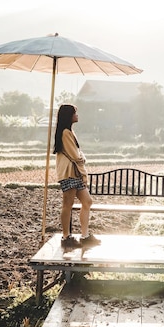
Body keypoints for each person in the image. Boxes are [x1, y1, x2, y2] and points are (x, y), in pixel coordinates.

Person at [53, 104, 101, 249]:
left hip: (75, 173)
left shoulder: (69, 132)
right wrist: (83, 161)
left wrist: (81, 160)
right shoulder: (65, 133)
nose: (77, 115)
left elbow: (77, 153)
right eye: (75, 113)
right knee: (68, 204)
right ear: (69, 116)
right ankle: (66, 236)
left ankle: (85, 235)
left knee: (87, 201)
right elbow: (75, 155)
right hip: (69, 173)